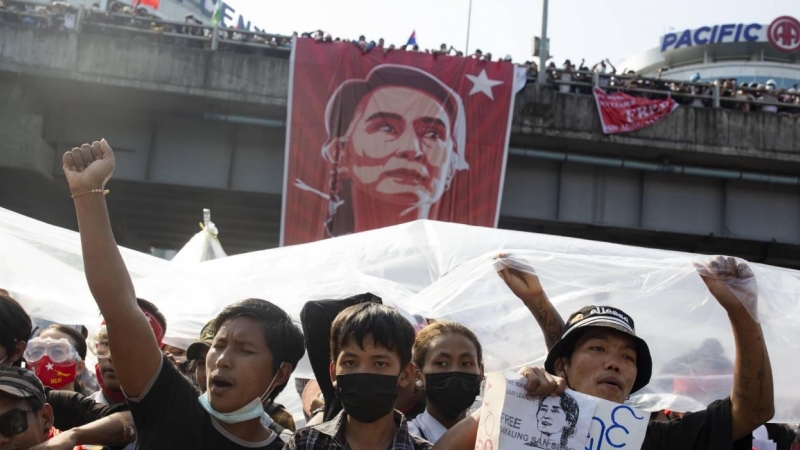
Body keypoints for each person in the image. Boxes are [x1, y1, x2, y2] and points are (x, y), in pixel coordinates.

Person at [62, 139, 305, 449]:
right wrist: (88, 194)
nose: (222, 361)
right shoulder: (169, 405)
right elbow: (119, 307)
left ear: (281, 372)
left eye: (245, 350)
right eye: (218, 345)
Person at [432, 256, 774, 450]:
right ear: (561, 367)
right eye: (597, 348)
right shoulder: (527, 423)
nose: (614, 362)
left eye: (628, 357)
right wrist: (505, 403)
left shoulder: (651, 440)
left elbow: (753, 410)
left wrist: (741, 313)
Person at [296, 64, 468, 239]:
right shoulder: (315, 257)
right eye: (386, 128)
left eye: (432, 134)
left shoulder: (463, 262)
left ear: (451, 167)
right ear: (341, 154)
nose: (411, 149)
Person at [289, 302, 431, 449]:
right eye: (350, 363)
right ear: (333, 373)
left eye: (379, 364)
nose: (362, 373)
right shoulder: (304, 444)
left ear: (406, 374)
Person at [407, 321, 483, 443]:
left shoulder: (493, 436)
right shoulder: (404, 438)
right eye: (441, 363)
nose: (455, 371)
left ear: (481, 372)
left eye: (466, 363)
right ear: (417, 373)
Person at [26, 325, 89, 395]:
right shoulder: (17, 403)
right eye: (36, 352)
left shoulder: (91, 405)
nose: (44, 357)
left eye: (57, 352)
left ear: (79, 367)